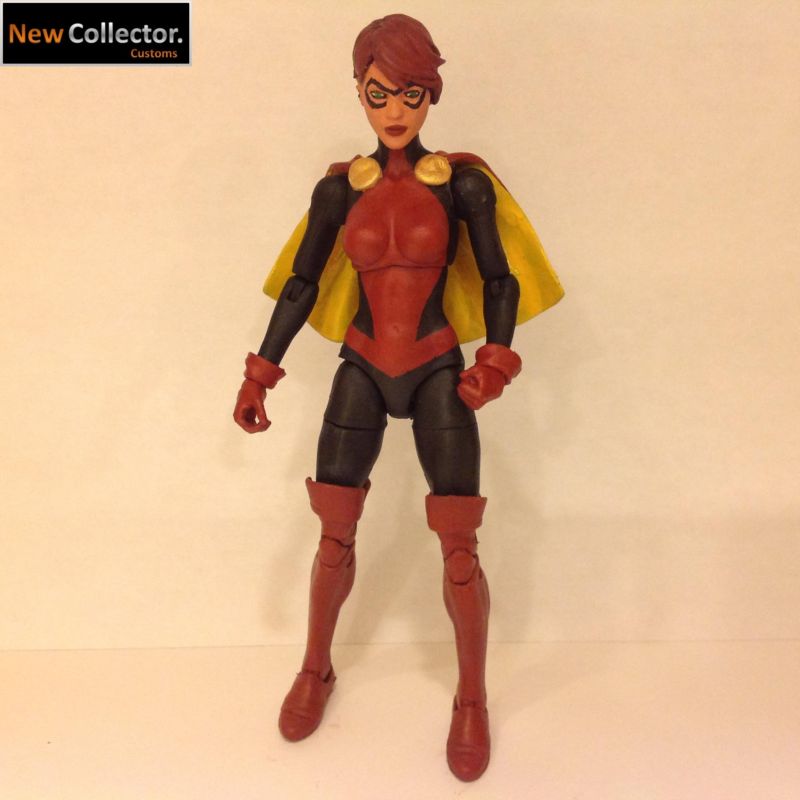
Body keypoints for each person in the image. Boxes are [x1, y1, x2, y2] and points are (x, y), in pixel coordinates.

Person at [233, 13, 562, 782]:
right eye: (379, 92)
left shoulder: (462, 185)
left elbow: (501, 278)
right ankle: (315, 667)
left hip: (437, 365)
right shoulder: (338, 189)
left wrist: (498, 359)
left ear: (430, 95)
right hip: (362, 363)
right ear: (358, 91)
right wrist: (260, 370)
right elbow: (302, 283)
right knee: (333, 532)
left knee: (459, 546)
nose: (394, 110)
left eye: (411, 93)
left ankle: (472, 697)